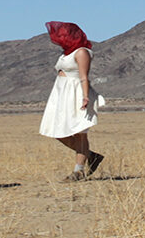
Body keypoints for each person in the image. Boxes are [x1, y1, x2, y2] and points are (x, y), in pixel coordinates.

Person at [39, 21, 105, 181]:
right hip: (61, 94)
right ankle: (91, 156)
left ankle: (79, 170)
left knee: (79, 132)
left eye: (63, 35)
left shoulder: (82, 52)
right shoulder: (66, 53)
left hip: (75, 93)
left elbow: (83, 77)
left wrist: (85, 97)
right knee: (58, 131)